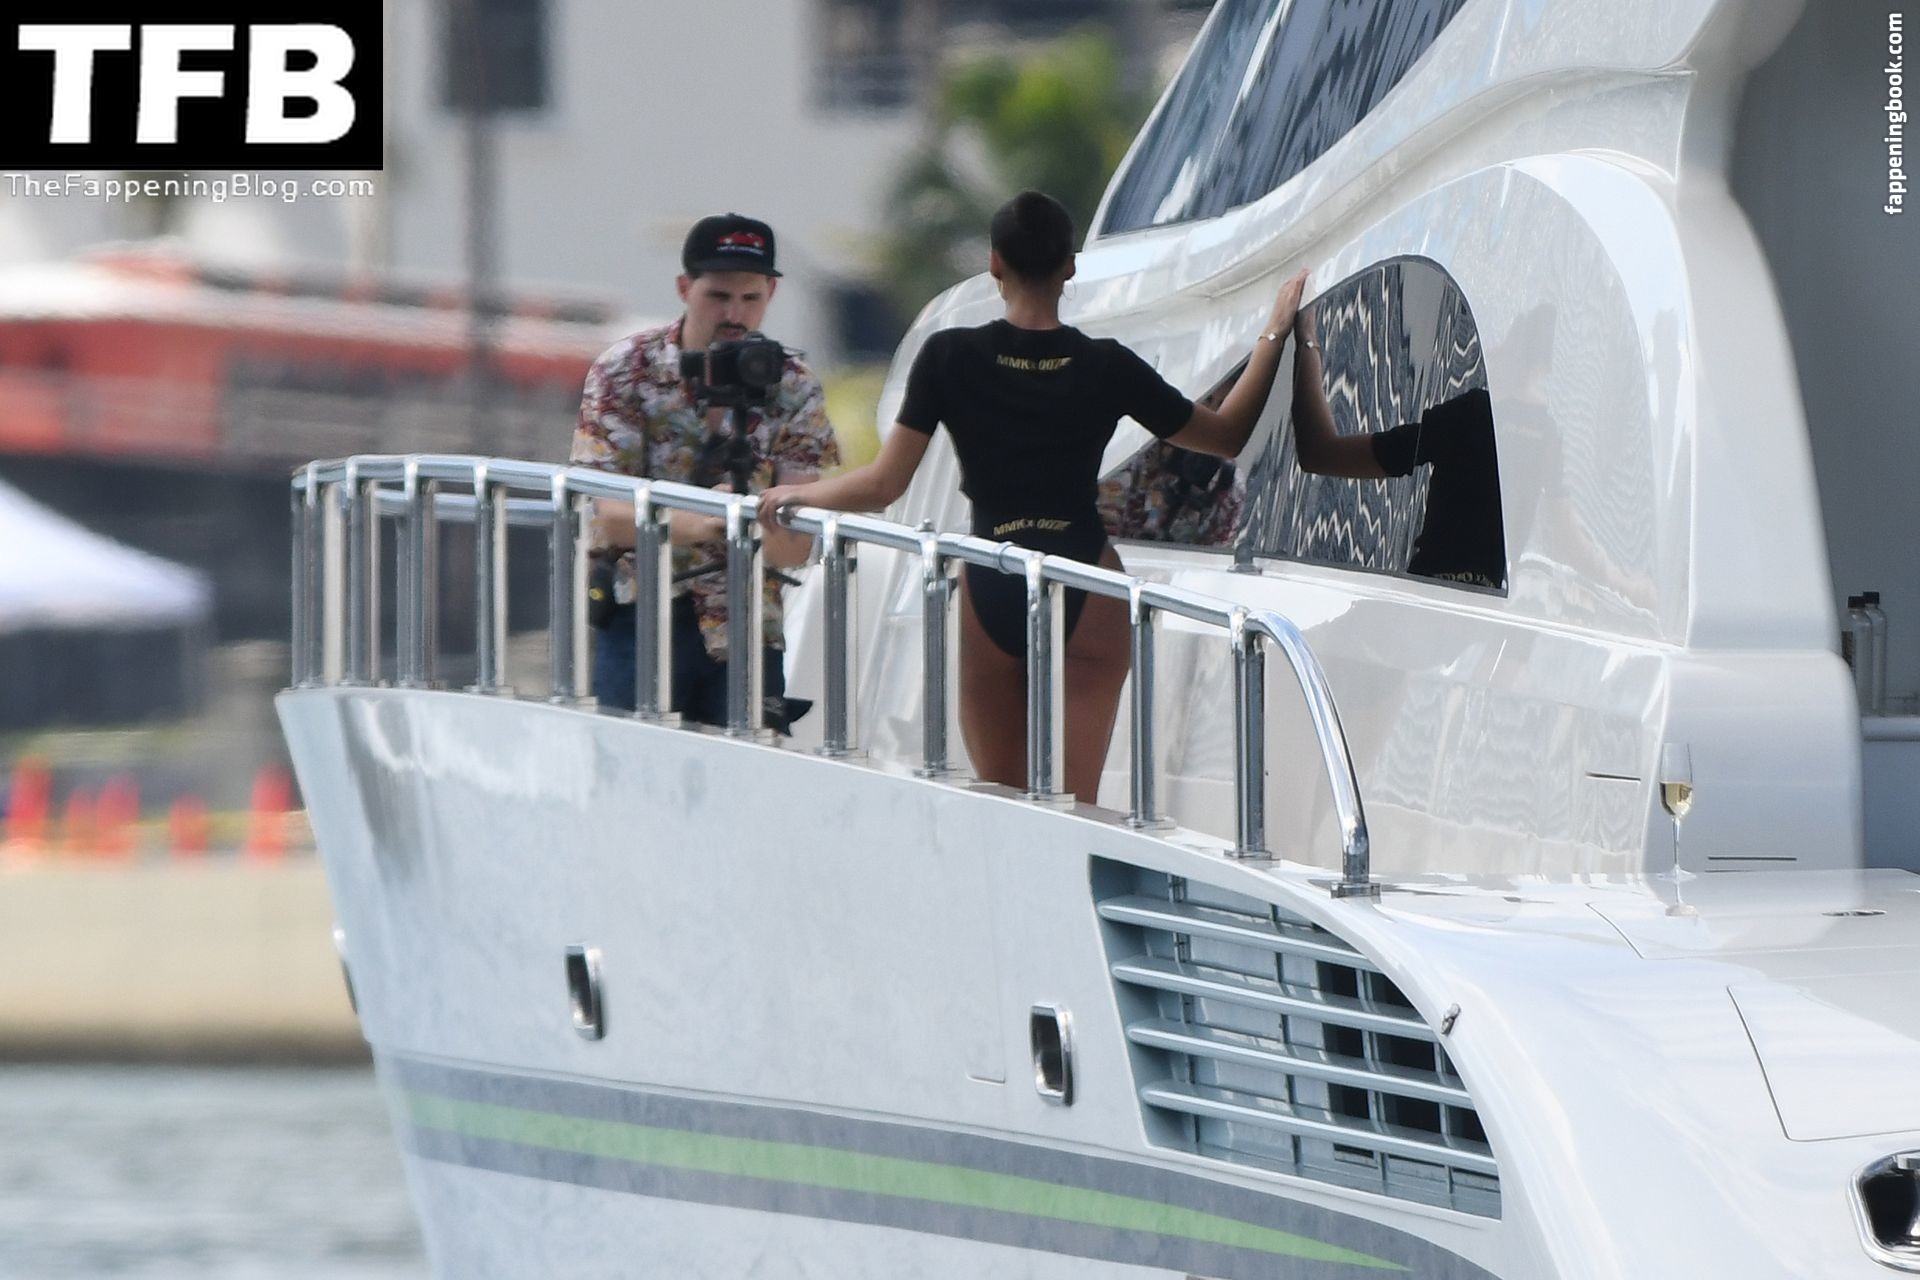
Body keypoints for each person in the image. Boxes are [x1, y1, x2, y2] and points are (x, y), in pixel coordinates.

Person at [759, 190, 1306, 800]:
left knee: (1005, 802)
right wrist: (1273, 333)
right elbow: (1226, 435)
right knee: (1077, 804)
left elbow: (885, 484)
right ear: (1069, 266)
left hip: (993, 570)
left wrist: (795, 498)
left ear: (995, 262)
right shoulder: (1106, 365)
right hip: (1087, 573)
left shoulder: (949, 356)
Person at [572, 212, 838, 728]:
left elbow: (797, 543)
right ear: (684, 288)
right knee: (629, 762)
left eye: (750, 298)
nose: (734, 313)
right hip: (639, 611)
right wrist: (715, 521)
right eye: (718, 296)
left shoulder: (793, 384)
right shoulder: (625, 369)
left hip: (748, 621)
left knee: (750, 770)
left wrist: (743, 523)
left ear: (771, 294)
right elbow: (609, 516)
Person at [1286, 306, 1505, 590]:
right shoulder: (1550, 456)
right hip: (1476, 613)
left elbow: (1321, 454)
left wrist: (1306, 337)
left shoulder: (1476, 417)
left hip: (1414, 601)